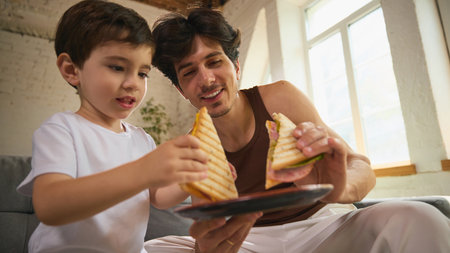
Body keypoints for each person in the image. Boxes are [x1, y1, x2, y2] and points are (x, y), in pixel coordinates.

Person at [145, 7, 450, 253]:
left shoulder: (278, 97)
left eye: (214, 62)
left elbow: (360, 166)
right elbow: (211, 228)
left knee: (419, 218)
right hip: (250, 242)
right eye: (189, 72)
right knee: (153, 248)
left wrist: (338, 188)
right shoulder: (193, 145)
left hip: (323, 228)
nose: (207, 79)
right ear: (181, 89)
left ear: (236, 67)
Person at [16, 1, 210, 252]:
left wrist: (193, 178)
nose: (133, 83)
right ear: (71, 70)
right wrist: (144, 170)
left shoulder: (142, 139)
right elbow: (50, 206)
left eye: (142, 73)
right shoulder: (61, 130)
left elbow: (159, 197)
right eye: (117, 67)